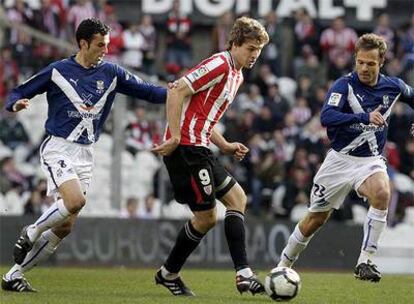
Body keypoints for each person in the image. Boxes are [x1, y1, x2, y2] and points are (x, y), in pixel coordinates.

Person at [1, 18, 167, 292]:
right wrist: (14, 104)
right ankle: (31, 232)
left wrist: (182, 91)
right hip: (58, 147)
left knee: (65, 227)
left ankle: (13, 275)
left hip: (86, 153)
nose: (105, 49)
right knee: (75, 201)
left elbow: (150, 92)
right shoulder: (57, 71)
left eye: (107, 44)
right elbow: (19, 90)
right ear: (83, 43)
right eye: (100, 45)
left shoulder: (112, 73)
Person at [275, 33, 414, 282]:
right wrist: (363, 117)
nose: (364, 68)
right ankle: (283, 264)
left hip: (369, 161)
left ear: (381, 61)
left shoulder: (393, 86)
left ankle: (365, 261)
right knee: (314, 220)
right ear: (355, 59)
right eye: (360, 62)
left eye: (370, 63)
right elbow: (327, 117)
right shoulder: (343, 85)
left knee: (382, 192)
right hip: (339, 161)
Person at [152, 16, 269, 296]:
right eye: (251, 48)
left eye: (259, 50)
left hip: (201, 147)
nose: (255, 55)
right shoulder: (219, 64)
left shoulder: (237, 74)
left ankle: (239, 274)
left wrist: (226, 145)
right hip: (187, 150)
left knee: (237, 199)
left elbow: (205, 117)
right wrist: (175, 136)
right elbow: (176, 90)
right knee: (206, 217)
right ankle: (172, 274)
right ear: (236, 43)